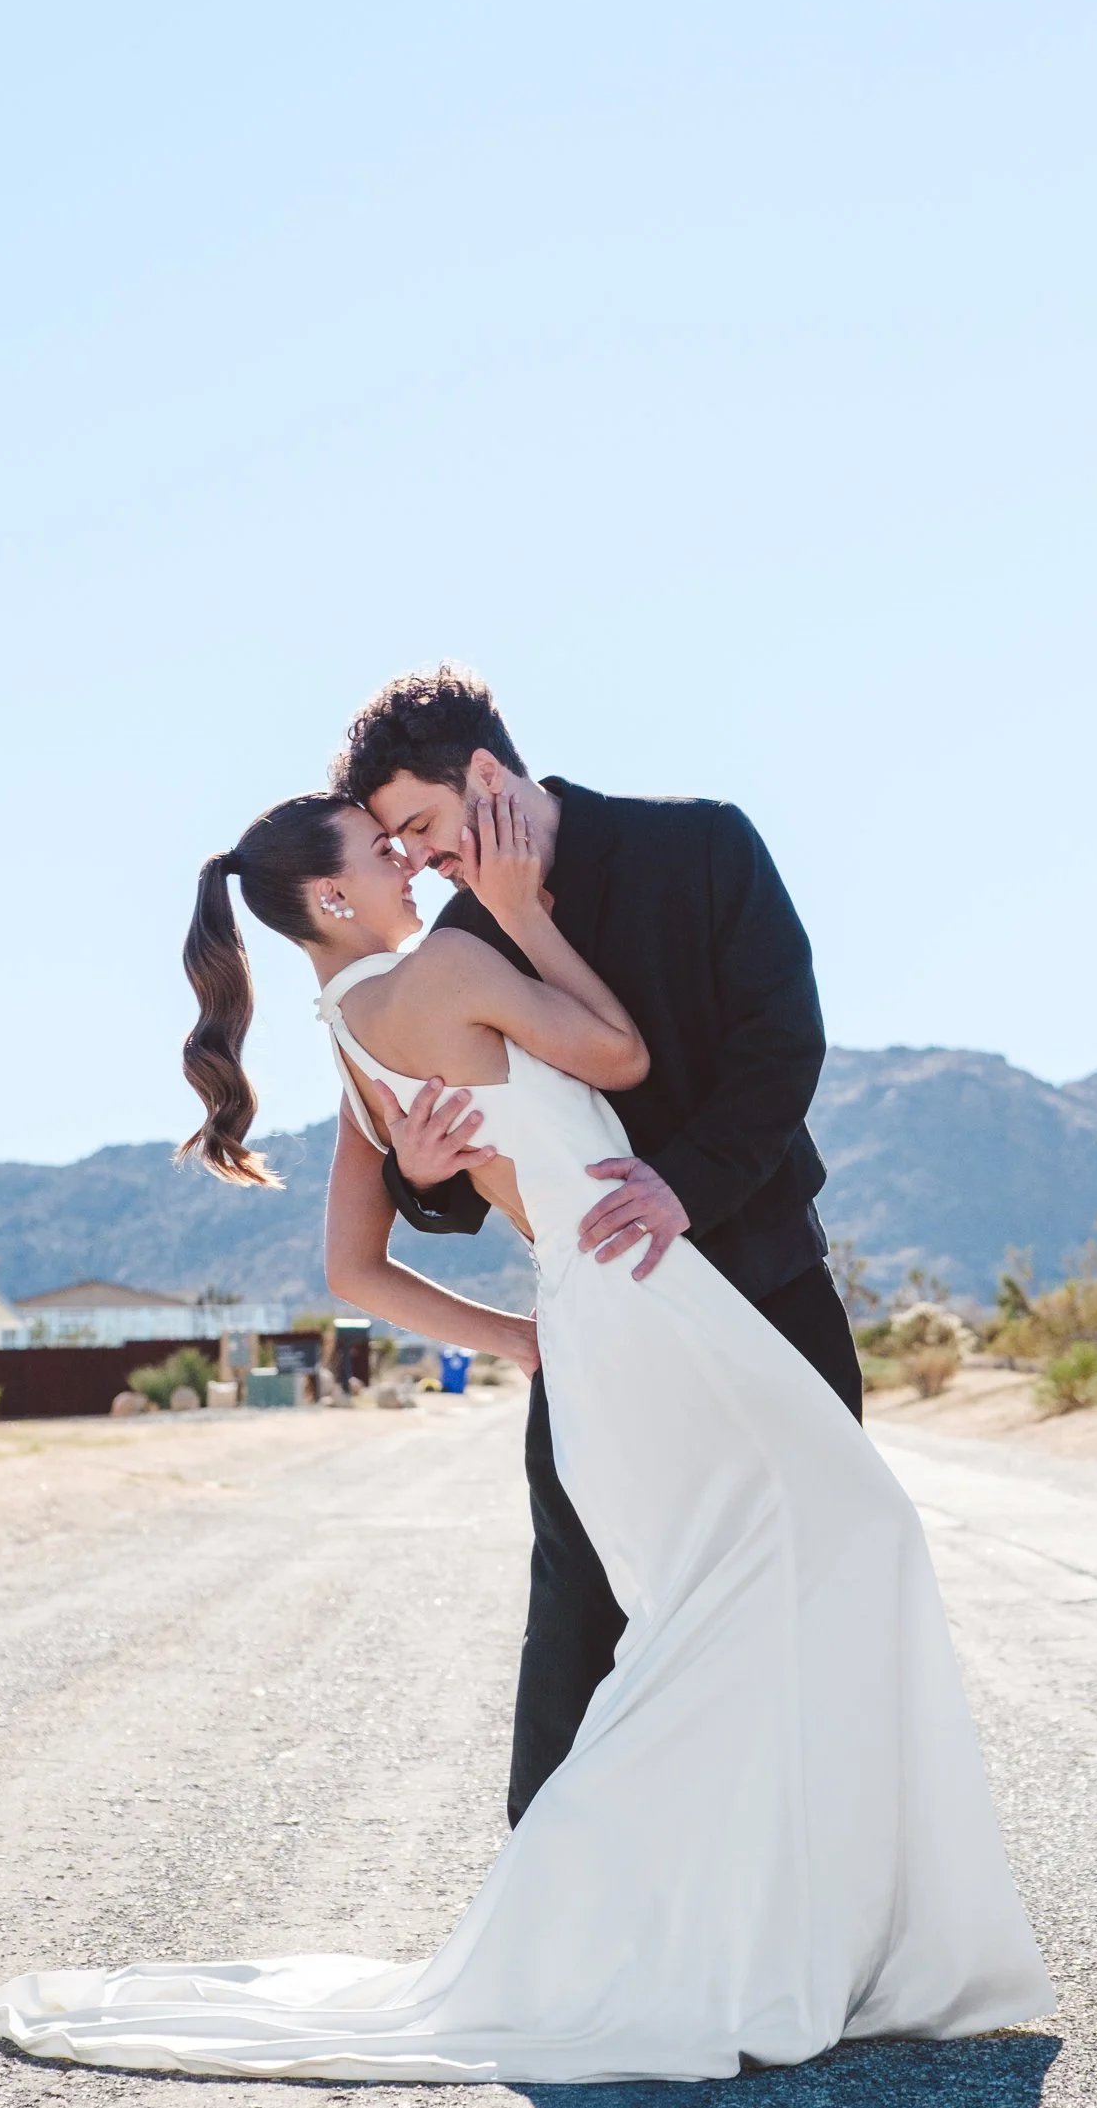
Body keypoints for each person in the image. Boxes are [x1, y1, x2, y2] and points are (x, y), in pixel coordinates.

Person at [0, 782, 1053, 2083]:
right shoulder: (443, 970)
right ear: (330, 896)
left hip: (607, 1321)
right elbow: (616, 1056)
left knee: (736, 1604)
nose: (413, 865)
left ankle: (731, 1922)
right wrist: (530, 916)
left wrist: (526, 1338)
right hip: (647, 1312)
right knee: (812, 1563)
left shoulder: (349, 1040)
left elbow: (352, 1272)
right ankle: (687, 1919)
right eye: (385, 854)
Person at [333, 666, 859, 1826]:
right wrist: (420, 1184)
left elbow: (783, 1048)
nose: (416, 863)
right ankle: (544, 1921)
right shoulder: (458, 948)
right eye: (393, 847)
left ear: (483, 774)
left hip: (768, 1283)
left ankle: (811, 1896)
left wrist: (684, 1188)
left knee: (817, 1573)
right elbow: (469, 1154)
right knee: (579, 1609)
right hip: (598, 1323)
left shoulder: (705, 847)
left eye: (420, 827)